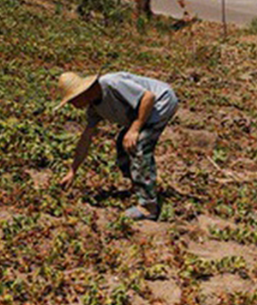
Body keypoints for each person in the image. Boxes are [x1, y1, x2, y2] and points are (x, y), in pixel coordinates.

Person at [55, 71, 178, 221]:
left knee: (138, 145)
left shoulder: (112, 84)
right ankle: (140, 186)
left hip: (161, 102)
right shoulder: (94, 107)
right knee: (122, 143)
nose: (72, 105)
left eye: (72, 100)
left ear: (82, 93)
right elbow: (86, 138)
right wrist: (72, 170)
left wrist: (135, 128)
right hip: (143, 109)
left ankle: (148, 206)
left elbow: (148, 97)